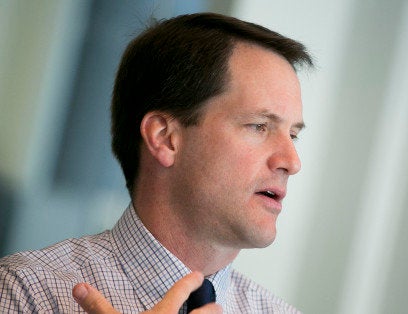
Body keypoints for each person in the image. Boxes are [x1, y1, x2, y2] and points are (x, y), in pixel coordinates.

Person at [0, 12, 313, 313]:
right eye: (260, 126)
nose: (292, 161)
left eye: (293, 135)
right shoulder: (27, 294)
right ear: (164, 138)